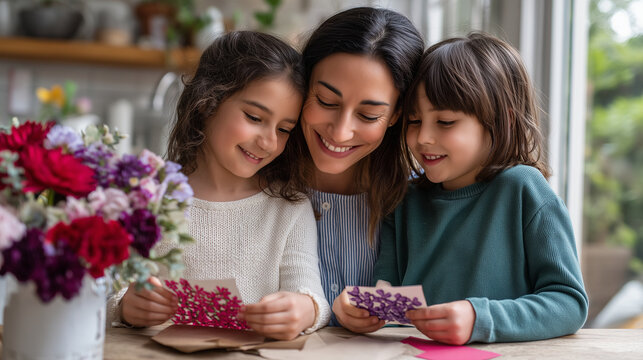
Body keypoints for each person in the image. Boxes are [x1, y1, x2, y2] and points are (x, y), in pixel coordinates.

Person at [334, 32, 588, 344]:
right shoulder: (403, 200)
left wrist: (480, 319)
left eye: (446, 122)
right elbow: (388, 293)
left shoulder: (523, 189)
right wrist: (361, 308)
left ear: (500, 121)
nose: (423, 137)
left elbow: (569, 303)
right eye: (413, 121)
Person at [107, 31, 330, 340]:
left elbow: (311, 295)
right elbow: (106, 293)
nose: (269, 142)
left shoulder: (288, 207)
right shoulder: (150, 197)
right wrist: (126, 307)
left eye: (284, 129)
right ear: (206, 102)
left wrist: (304, 309)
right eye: (254, 117)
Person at [287, 7, 424, 326]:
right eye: (326, 101)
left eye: (368, 115)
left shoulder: (417, 200)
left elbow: (436, 298)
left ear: (396, 115)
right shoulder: (258, 187)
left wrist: (375, 308)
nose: (340, 131)